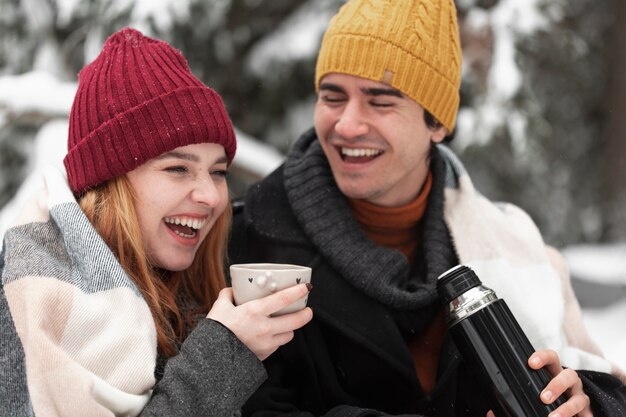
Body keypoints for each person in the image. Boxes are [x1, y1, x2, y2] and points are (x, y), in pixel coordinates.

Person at [228, 1, 626, 416]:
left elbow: (606, 383)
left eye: (380, 101)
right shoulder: (247, 243)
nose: (346, 125)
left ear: (436, 124)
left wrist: (588, 403)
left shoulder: (512, 243)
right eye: (333, 96)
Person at [0, 28, 312, 417]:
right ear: (108, 182)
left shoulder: (188, 289)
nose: (212, 196)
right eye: (178, 168)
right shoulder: (34, 303)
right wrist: (226, 353)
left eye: (217, 172)